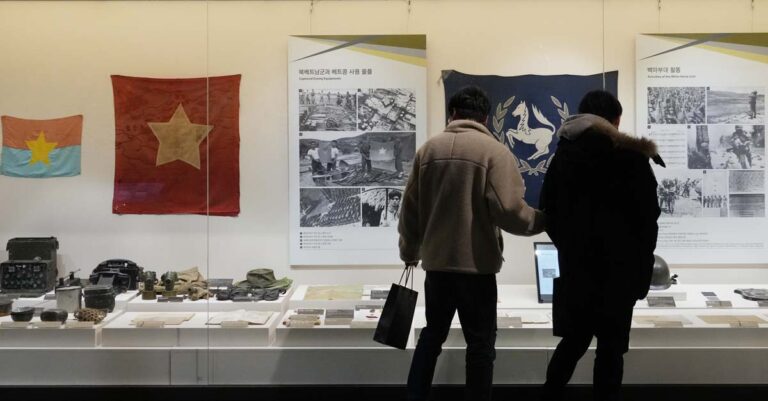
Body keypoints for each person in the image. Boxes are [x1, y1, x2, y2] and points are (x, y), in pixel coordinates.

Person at [399, 86, 545, 401]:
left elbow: (410, 210)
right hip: (477, 268)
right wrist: (543, 221)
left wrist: (409, 252)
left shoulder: (428, 151)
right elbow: (509, 211)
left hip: (437, 266)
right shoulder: (494, 152)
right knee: (479, 347)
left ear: (452, 114)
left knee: (431, 338)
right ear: (486, 118)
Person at [539, 90, 663, 401]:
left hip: (578, 270)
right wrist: (639, 266)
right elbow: (649, 219)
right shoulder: (633, 158)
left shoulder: (564, 155)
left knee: (572, 344)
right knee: (610, 353)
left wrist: (571, 247)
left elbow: (548, 213)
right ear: (616, 120)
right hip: (620, 274)